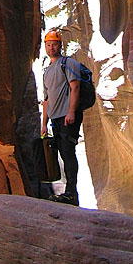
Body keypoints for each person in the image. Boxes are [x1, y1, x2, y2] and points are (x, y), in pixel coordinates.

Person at [41, 28, 82, 206]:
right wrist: (44, 124)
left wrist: (71, 112)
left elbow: (75, 88)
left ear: (60, 45)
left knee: (68, 153)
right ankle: (66, 191)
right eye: (48, 45)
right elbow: (47, 100)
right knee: (59, 155)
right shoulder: (47, 71)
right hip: (56, 119)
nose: (51, 48)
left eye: (54, 44)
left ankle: (72, 193)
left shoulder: (68, 63)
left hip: (67, 117)